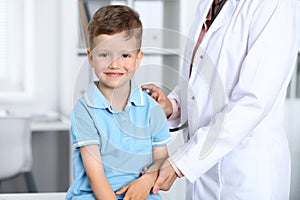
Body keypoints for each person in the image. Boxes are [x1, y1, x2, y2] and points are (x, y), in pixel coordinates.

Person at [142, 0, 300, 199]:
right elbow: (201, 80)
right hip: (204, 174)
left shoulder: (274, 5)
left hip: (244, 173)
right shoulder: (209, 3)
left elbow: (252, 103)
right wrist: (172, 106)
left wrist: (181, 163)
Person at [65, 5, 171, 200]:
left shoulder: (152, 108)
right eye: (104, 54)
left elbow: (161, 158)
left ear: (138, 59)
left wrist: (147, 180)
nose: (114, 64)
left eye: (125, 55)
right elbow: (96, 177)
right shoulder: (84, 110)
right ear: (91, 57)